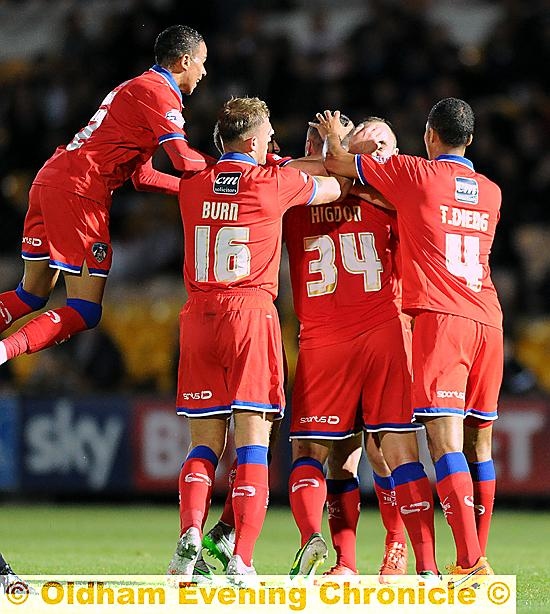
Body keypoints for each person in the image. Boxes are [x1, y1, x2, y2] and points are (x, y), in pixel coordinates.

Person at [316, 97, 503, 583]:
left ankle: (468, 560)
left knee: (443, 446)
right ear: (471, 140)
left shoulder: (417, 175)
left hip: (442, 321)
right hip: (489, 318)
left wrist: (337, 135)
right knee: (478, 446)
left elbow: (337, 162)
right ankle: (474, 554)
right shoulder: (491, 192)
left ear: (427, 138)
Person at [166, 96, 344, 580]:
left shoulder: (194, 184)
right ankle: (241, 558)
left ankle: (188, 536)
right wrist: (334, 144)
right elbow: (334, 186)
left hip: (198, 316)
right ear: (250, 140)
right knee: (252, 447)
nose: (272, 144)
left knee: (203, 445)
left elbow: (161, 177)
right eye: (267, 136)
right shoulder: (273, 182)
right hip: (249, 315)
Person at [0, 25, 212, 366]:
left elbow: (143, 177)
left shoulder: (136, 88)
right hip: (80, 191)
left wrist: (191, 192)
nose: (204, 72)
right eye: (202, 62)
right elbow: (183, 159)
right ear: (185, 61)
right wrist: (232, 170)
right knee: (84, 310)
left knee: (31, 294)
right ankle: (4, 352)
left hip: (51, 179)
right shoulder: (160, 92)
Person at [283, 116, 427, 579]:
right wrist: (339, 154)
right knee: (354, 454)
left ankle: (392, 547)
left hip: (347, 337)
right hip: (369, 333)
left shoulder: (291, 193)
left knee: (369, 451)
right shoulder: (388, 193)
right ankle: (350, 561)